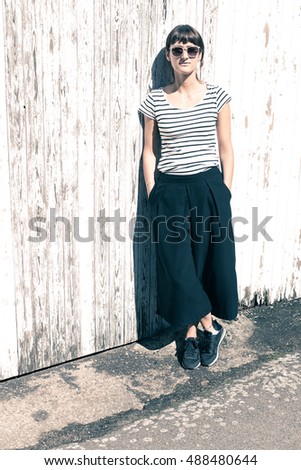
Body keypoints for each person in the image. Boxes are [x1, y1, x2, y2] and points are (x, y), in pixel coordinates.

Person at [139, 24, 238, 370]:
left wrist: (223, 191)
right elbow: (149, 152)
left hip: (208, 188)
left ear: (200, 55)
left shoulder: (217, 96)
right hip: (169, 190)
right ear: (168, 55)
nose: (184, 56)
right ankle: (211, 326)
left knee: (206, 263)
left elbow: (226, 149)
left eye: (191, 50)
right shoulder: (154, 99)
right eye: (177, 50)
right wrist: (153, 191)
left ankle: (194, 335)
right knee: (178, 267)